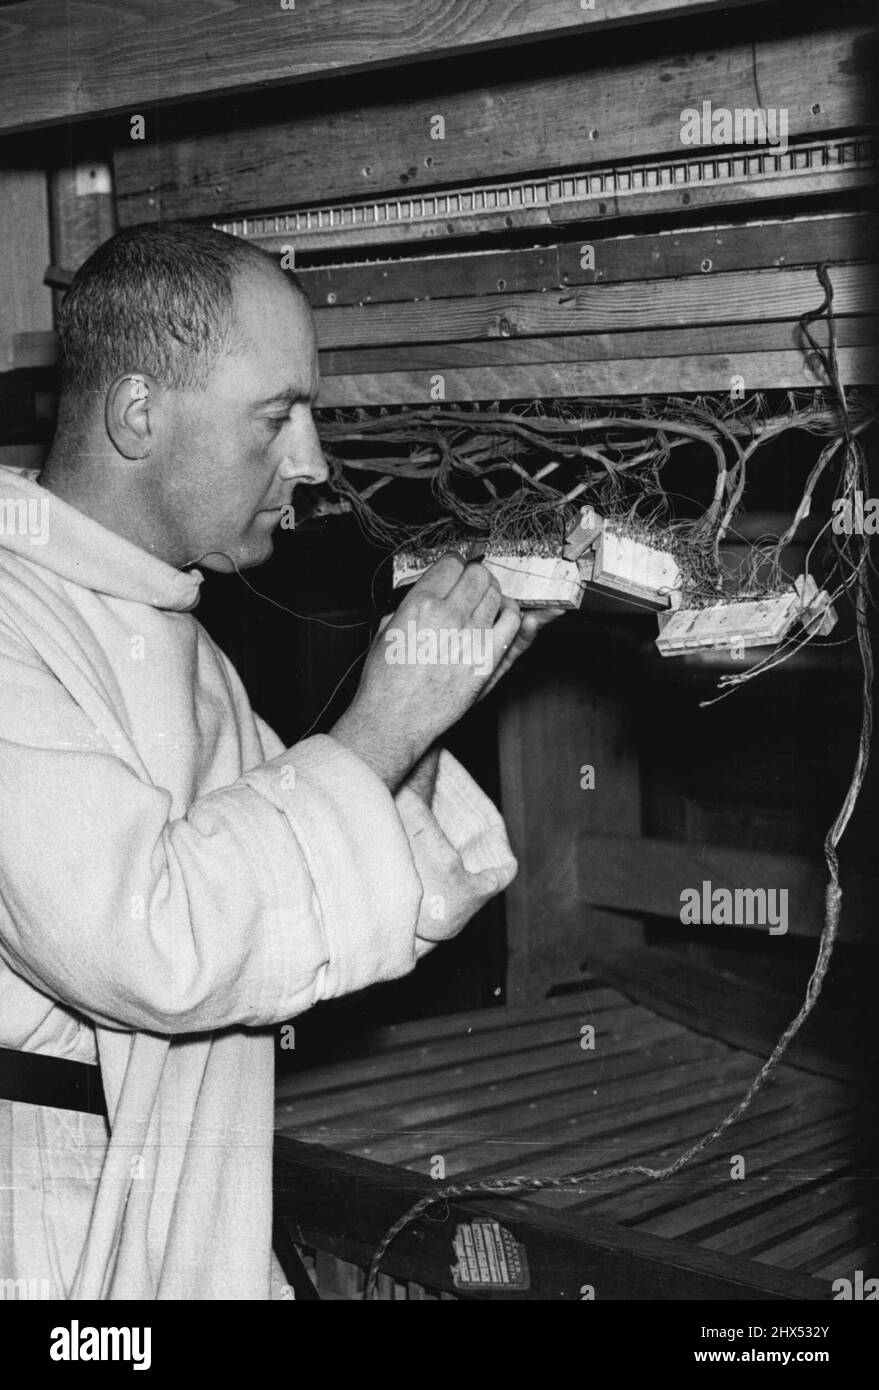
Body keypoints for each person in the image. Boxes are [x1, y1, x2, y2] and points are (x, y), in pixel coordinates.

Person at [0, 223, 558, 1299]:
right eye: (276, 417)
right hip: (43, 1224)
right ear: (136, 415)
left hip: (173, 1199)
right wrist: (384, 721)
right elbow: (158, 940)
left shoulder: (176, 638)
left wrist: (438, 704)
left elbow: (318, 896)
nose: (310, 462)